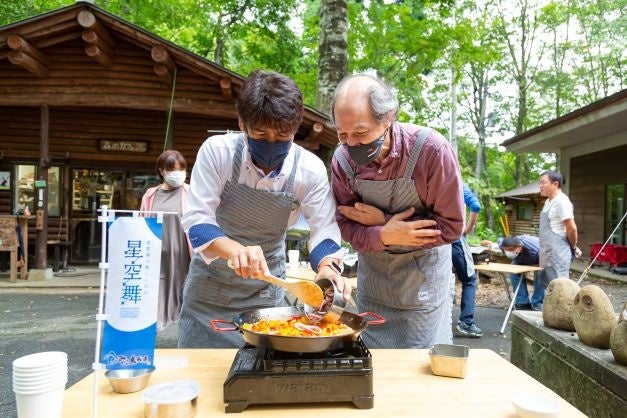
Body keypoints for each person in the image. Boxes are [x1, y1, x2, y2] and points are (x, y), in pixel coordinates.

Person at [179, 70, 349, 348]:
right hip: (209, 293)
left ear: (296, 129)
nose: (271, 142)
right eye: (260, 133)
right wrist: (236, 251)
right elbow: (197, 221)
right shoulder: (217, 152)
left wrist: (328, 268)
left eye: (283, 135)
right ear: (242, 124)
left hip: (267, 294)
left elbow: (324, 228)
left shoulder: (309, 169)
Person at [330, 73, 464, 348]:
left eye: (360, 133)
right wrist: (383, 235)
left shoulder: (432, 152)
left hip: (422, 288)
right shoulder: (342, 161)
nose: (351, 144)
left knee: (417, 367)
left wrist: (384, 222)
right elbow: (345, 225)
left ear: (388, 117)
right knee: (372, 363)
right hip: (375, 284)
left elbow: (451, 227)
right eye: (342, 134)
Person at [140, 150, 192, 331]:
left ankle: (181, 325)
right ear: (161, 170)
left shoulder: (191, 192)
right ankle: (154, 323)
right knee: (157, 285)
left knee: (182, 286)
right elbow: (142, 221)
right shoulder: (150, 195)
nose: (178, 174)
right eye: (172, 169)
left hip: (183, 251)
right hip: (155, 251)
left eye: (182, 169)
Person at [538, 171, 582, 286]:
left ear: (555, 184)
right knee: (548, 287)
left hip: (558, 253)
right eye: (540, 183)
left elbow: (571, 228)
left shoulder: (562, 202)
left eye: (543, 182)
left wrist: (573, 246)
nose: (540, 186)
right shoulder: (548, 201)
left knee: (560, 288)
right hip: (546, 253)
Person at [451, 184, 483, 338]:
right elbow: (475, 205)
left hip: (433, 239)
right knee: (469, 279)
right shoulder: (457, 182)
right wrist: (467, 228)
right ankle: (466, 322)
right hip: (455, 239)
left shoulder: (429, 178)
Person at [498, 235, 543, 311]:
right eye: (506, 250)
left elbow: (546, 259)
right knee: (514, 272)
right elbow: (499, 239)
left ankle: (537, 304)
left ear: (519, 247)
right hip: (520, 257)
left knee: (541, 275)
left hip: (539, 258)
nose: (508, 252)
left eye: (511, 250)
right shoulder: (502, 244)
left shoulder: (535, 248)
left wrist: (530, 267)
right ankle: (523, 303)